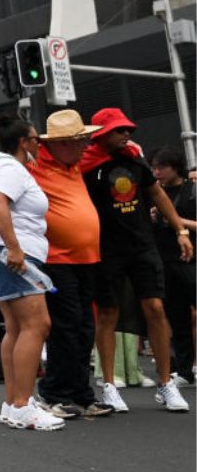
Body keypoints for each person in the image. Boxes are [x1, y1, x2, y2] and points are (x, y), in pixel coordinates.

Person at [81, 108, 192, 413]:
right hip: (106, 249)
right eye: (119, 130)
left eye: (128, 129)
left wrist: (180, 230)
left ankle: (166, 383)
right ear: (101, 133)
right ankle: (108, 385)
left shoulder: (135, 159)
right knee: (107, 314)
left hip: (143, 246)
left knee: (156, 308)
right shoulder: (86, 164)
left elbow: (157, 194)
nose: (126, 134)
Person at [0, 116, 64, 430]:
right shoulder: (11, 168)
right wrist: (13, 248)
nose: (39, 143)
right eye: (36, 138)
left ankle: (13, 403)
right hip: (5, 252)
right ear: (23, 142)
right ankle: (23, 404)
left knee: (16, 326)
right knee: (37, 324)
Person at [150, 147, 196, 385]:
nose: (157, 172)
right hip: (165, 260)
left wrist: (176, 222)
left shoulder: (192, 190)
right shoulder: (153, 192)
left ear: (175, 166)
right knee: (177, 318)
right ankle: (185, 370)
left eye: (162, 167)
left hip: (191, 260)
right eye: (154, 168)